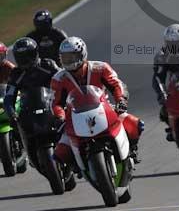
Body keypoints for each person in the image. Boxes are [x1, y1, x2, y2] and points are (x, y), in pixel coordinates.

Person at [51, 37, 144, 168]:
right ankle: (76, 167)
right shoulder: (58, 79)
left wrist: (120, 100)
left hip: (104, 109)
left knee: (135, 124)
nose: (68, 61)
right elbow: (56, 103)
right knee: (60, 153)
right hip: (74, 116)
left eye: (71, 57)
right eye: (65, 58)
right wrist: (60, 117)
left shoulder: (101, 68)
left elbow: (117, 85)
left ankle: (132, 150)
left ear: (82, 54)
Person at [3, 38, 72, 184]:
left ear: (35, 53)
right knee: (19, 128)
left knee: (69, 123)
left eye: (28, 56)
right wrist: (11, 114)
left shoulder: (48, 64)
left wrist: (68, 96)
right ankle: (30, 156)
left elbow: (65, 78)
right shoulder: (16, 74)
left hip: (51, 106)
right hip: (29, 111)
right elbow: (9, 96)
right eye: (21, 57)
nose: (25, 60)